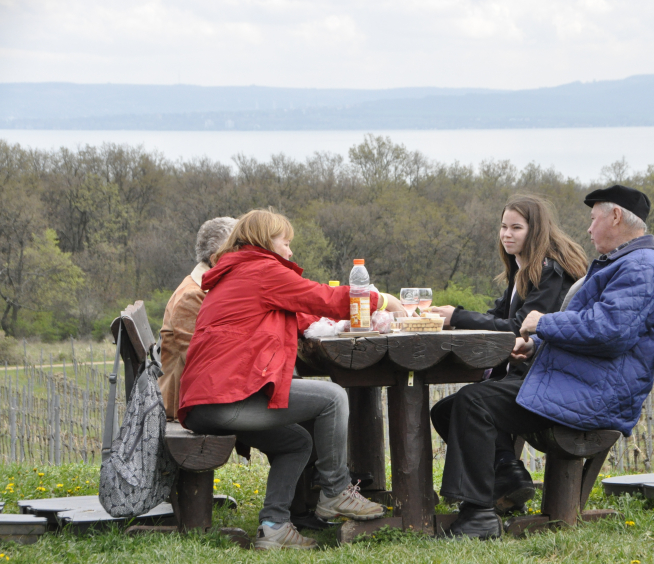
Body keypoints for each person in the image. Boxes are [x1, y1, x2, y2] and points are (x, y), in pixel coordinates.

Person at [441, 185, 654, 539]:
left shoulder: (640, 268)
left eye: (593, 219)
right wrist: (536, 347)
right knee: (454, 406)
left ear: (616, 217)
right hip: (581, 383)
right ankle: (502, 485)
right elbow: (598, 331)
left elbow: (611, 331)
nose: (588, 229)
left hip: (594, 396)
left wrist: (544, 323)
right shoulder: (624, 263)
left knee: (473, 402)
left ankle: (478, 515)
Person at [178, 209, 405, 551]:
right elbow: (325, 298)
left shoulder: (238, 272)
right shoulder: (261, 269)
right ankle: (335, 491)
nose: (290, 251)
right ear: (265, 242)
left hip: (207, 399)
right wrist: (384, 300)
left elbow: (297, 310)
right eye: (286, 242)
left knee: (296, 442)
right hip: (223, 399)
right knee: (332, 397)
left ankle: (274, 528)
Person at [429, 194, 587, 514]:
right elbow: (498, 315)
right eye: (503, 226)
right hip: (529, 376)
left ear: (536, 230)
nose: (507, 234)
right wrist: (449, 321)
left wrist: (456, 316)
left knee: (469, 402)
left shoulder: (550, 271)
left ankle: (481, 502)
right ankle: (508, 475)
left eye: (516, 227)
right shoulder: (523, 271)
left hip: (547, 382)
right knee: (444, 411)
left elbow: (518, 327)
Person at [160, 217, 236, 420]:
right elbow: (203, 364)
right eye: (238, 251)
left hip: (203, 396)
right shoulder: (194, 295)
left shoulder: (208, 288)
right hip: (189, 405)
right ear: (216, 259)